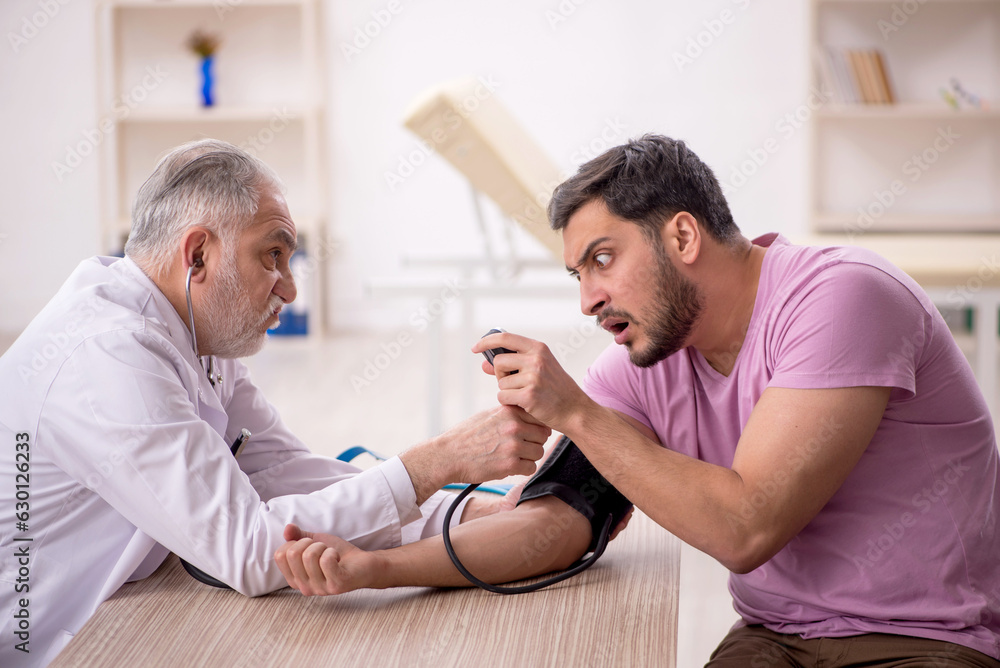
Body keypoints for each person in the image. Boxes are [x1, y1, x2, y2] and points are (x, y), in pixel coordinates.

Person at [275, 134, 1000, 667]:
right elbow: (558, 522)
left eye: (602, 259)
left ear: (681, 234)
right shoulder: (648, 355)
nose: (589, 299)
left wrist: (578, 414)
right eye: (575, 276)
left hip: (925, 641)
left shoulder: (841, 298)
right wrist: (376, 569)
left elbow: (748, 527)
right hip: (775, 641)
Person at [0, 139, 552, 668]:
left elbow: (285, 473)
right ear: (197, 254)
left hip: (127, 594)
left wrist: (467, 508)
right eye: (273, 255)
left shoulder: (191, 332)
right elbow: (247, 549)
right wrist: (437, 463)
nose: (289, 289)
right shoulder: (107, 355)